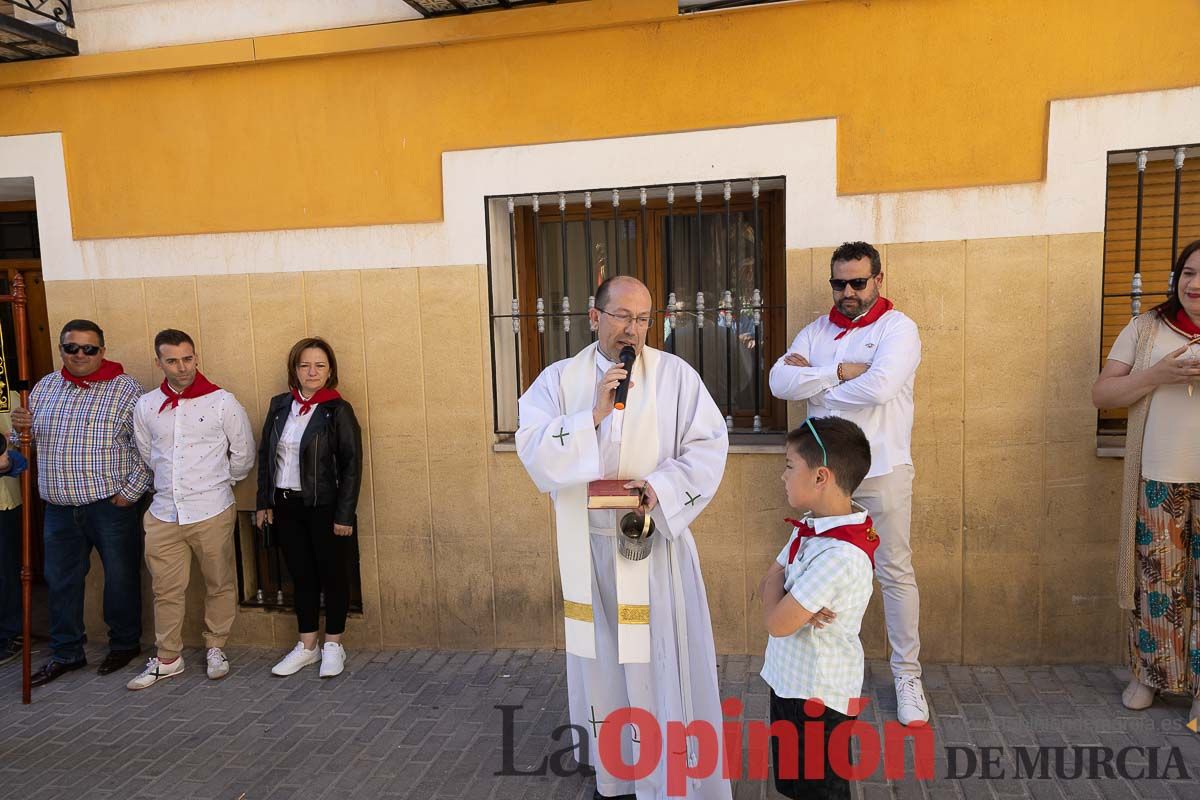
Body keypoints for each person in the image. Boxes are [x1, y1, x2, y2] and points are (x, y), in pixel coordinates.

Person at [517, 275, 732, 800]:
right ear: (594, 318)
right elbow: (533, 446)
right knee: (604, 665)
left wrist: (660, 487)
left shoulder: (674, 376)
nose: (632, 330)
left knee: (656, 662)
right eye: (621, 317)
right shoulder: (558, 380)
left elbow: (708, 446)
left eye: (642, 319)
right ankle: (615, 774)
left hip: (650, 545)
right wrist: (591, 415)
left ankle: (667, 774)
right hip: (588, 547)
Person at [767, 241, 927, 726]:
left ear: (879, 279)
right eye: (840, 283)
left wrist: (814, 383)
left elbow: (881, 387)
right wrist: (838, 371)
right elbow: (778, 382)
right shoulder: (816, 332)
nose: (849, 292)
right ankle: (827, 669)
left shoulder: (899, 329)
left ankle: (907, 675)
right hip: (827, 480)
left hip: (882, 472)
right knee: (812, 566)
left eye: (859, 282)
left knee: (894, 572)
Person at [1092, 238, 1200, 726]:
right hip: (1159, 477)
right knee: (1157, 584)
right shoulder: (1146, 328)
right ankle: (1150, 676)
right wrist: (1157, 373)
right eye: (1189, 273)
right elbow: (1103, 393)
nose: (1195, 285)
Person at [12, 320, 152, 687]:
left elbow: (147, 447)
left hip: (110, 504)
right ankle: (67, 652)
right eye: (72, 348)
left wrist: (131, 492)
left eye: (89, 349)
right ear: (61, 350)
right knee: (61, 582)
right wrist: (19, 425)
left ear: (102, 351)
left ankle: (124, 645)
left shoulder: (126, 389)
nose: (80, 355)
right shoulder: (44, 387)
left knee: (120, 578)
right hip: (58, 508)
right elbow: (21, 442)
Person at [127, 329, 255, 690]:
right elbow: (147, 453)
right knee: (165, 590)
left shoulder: (221, 401)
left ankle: (216, 646)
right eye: (172, 360)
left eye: (187, 358)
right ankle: (168, 657)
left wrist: (217, 482)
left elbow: (243, 453)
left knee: (219, 582)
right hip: (164, 513)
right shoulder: (148, 405)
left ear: (196, 357)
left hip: (211, 509)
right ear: (159, 363)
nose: (181, 367)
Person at [760, 417, 877, 800]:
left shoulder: (839, 555)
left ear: (820, 476)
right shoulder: (812, 527)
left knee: (821, 791)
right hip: (791, 682)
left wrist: (780, 593)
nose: (783, 476)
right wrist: (787, 594)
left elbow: (776, 623)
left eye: (790, 466)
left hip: (818, 697)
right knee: (795, 786)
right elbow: (770, 577)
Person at [255, 337, 361, 679]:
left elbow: (352, 465)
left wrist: (344, 515)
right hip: (287, 505)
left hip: (325, 507)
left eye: (319, 365)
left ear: (330, 370)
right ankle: (307, 647)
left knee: (332, 575)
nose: (311, 372)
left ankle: (333, 645)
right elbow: (265, 457)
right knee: (300, 576)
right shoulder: (280, 405)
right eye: (304, 365)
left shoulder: (337, 410)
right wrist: (264, 502)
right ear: (294, 369)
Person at [0, 394, 30, 667]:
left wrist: (7, 461)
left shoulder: (8, 399)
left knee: (4, 574)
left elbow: (23, 455)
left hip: (2, 503)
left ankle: (9, 635)